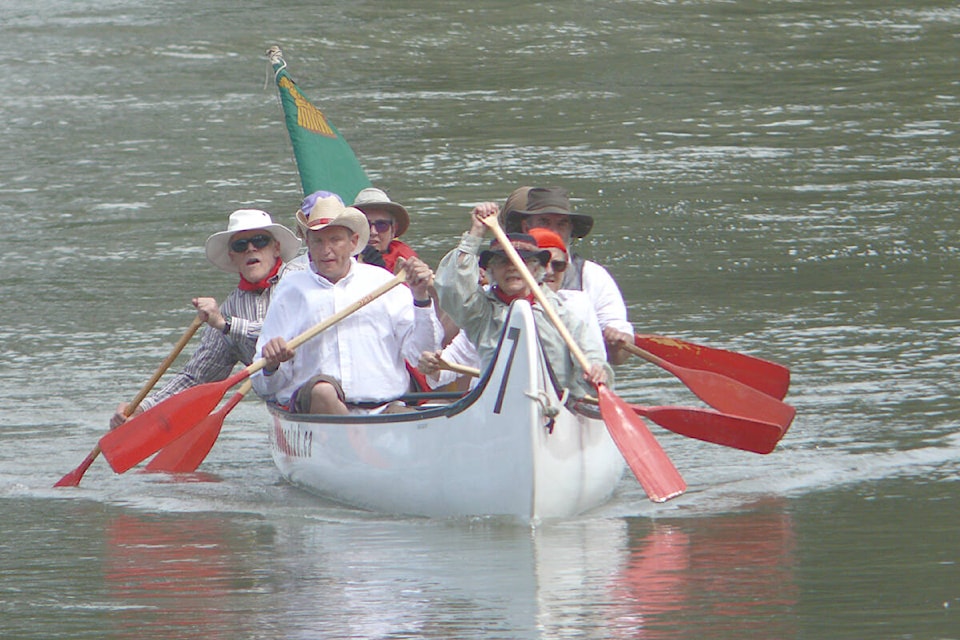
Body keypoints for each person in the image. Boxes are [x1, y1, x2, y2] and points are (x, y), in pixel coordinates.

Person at [110, 209, 302, 427]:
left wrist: (226, 325)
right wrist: (140, 409)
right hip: (288, 406)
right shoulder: (229, 308)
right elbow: (195, 379)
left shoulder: (300, 280)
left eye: (260, 241)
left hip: (322, 389)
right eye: (241, 245)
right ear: (233, 256)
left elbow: (291, 334)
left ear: (276, 247)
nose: (251, 248)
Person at [253, 193, 440, 415]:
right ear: (308, 244)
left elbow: (423, 354)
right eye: (318, 241)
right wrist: (272, 365)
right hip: (315, 410)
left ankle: (363, 443)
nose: (326, 250)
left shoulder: (385, 283)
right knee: (323, 391)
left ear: (353, 243)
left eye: (335, 240)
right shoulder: (290, 289)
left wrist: (421, 298)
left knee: (404, 416)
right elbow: (263, 386)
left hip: (384, 409)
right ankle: (362, 445)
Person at [433, 202, 612, 400]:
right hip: (499, 409)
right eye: (502, 262)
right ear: (491, 271)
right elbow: (452, 288)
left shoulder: (562, 313)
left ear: (536, 269)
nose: (512, 268)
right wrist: (476, 232)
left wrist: (596, 371)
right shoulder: (480, 313)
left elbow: (590, 353)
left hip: (559, 407)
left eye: (522, 261)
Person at [501, 186, 634, 364]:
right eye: (544, 222)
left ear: (570, 229)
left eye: (561, 224)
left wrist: (617, 343)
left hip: (576, 383)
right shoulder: (504, 273)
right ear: (526, 227)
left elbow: (619, 356)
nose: (554, 231)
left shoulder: (592, 277)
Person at [351, 187, 418, 273]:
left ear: (393, 230)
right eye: (366, 225)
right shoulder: (340, 262)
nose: (373, 232)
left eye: (382, 225)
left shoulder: (408, 263)